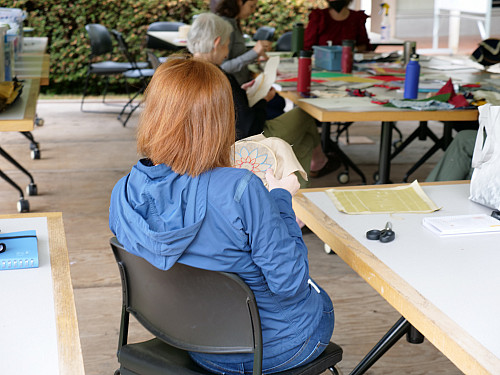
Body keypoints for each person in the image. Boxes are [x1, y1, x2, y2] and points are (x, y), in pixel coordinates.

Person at [108, 57, 335, 375]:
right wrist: (281, 198)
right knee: (319, 299)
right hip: (272, 349)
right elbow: (290, 284)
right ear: (221, 116)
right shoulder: (241, 188)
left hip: (190, 337)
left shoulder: (125, 190)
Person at [187, 12, 340, 187]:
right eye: (227, 46)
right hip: (243, 144)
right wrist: (263, 100)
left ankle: (301, 187)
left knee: (304, 142)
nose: (227, 53)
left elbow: (228, 106)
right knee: (305, 115)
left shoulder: (185, 72)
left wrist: (242, 93)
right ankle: (314, 168)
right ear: (216, 43)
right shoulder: (219, 77)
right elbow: (249, 127)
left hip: (205, 146)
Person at [215, 0, 286, 120]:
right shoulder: (226, 26)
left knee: (279, 102)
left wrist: (256, 55)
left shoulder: (234, 23)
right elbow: (222, 68)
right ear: (238, 2)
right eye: (251, 6)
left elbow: (236, 57)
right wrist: (253, 53)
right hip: (237, 96)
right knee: (279, 106)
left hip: (242, 89)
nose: (253, 11)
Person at [304, 0, 371, 51]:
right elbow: (308, 47)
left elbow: (364, 45)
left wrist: (352, 50)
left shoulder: (357, 18)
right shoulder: (319, 17)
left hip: (350, 62)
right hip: (322, 62)